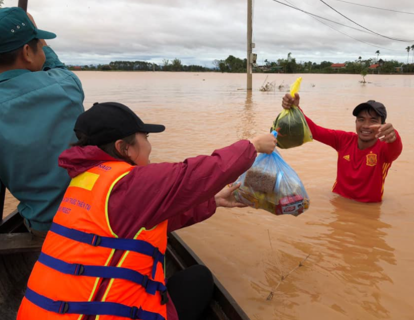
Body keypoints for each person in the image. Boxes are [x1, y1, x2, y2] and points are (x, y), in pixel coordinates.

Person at [17, 102, 277, 320]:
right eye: (145, 138)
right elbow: (195, 174)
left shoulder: (85, 181)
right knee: (199, 280)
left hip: (39, 311)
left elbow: (144, 222)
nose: (150, 147)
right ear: (124, 148)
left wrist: (214, 201)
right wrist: (251, 146)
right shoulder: (129, 183)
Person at [0, 8, 85, 237]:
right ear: (28, 51)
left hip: (42, 227)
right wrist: (31, 26)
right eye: (38, 42)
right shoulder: (67, 86)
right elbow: (55, 64)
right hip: (89, 217)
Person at [282, 94, 402, 202]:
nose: (366, 126)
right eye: (361, 119)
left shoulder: (384, 149)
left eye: (373, 121)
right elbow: (314, 130)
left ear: (383, 125)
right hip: (338, 201)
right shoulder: (344, 139)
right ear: (355, 122)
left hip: (369, 208)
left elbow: (395, 148)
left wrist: (394, 135)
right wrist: (296, 109)